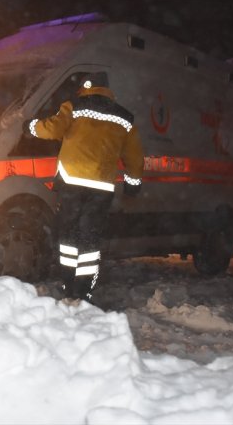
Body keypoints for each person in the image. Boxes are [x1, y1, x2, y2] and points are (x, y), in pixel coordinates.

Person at [25, 72, 144, 303]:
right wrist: (133, 184)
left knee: (68, 236)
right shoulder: (124, 117)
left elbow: (52, 129)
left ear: (85, 87)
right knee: (89, 238)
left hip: (72, 183)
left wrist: (30, 127)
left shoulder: (74, 106)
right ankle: (84, 290)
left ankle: (68, 286)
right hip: (101, 187)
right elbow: (135, 158)